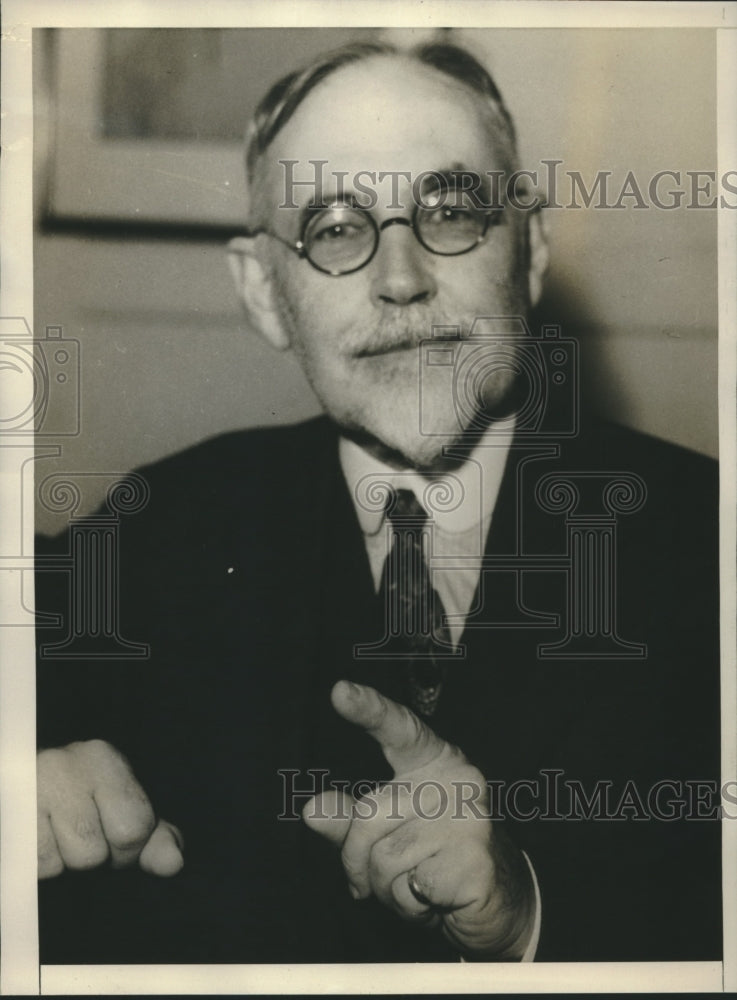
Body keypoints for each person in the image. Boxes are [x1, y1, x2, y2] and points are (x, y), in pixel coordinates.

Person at [36, 39, 721, 964]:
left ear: (528, 254)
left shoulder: (708, 543)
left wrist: (532, 923)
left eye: (449, 211)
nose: (400, 278)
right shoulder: (158, 528)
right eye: (334, 226)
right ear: (264, 293)